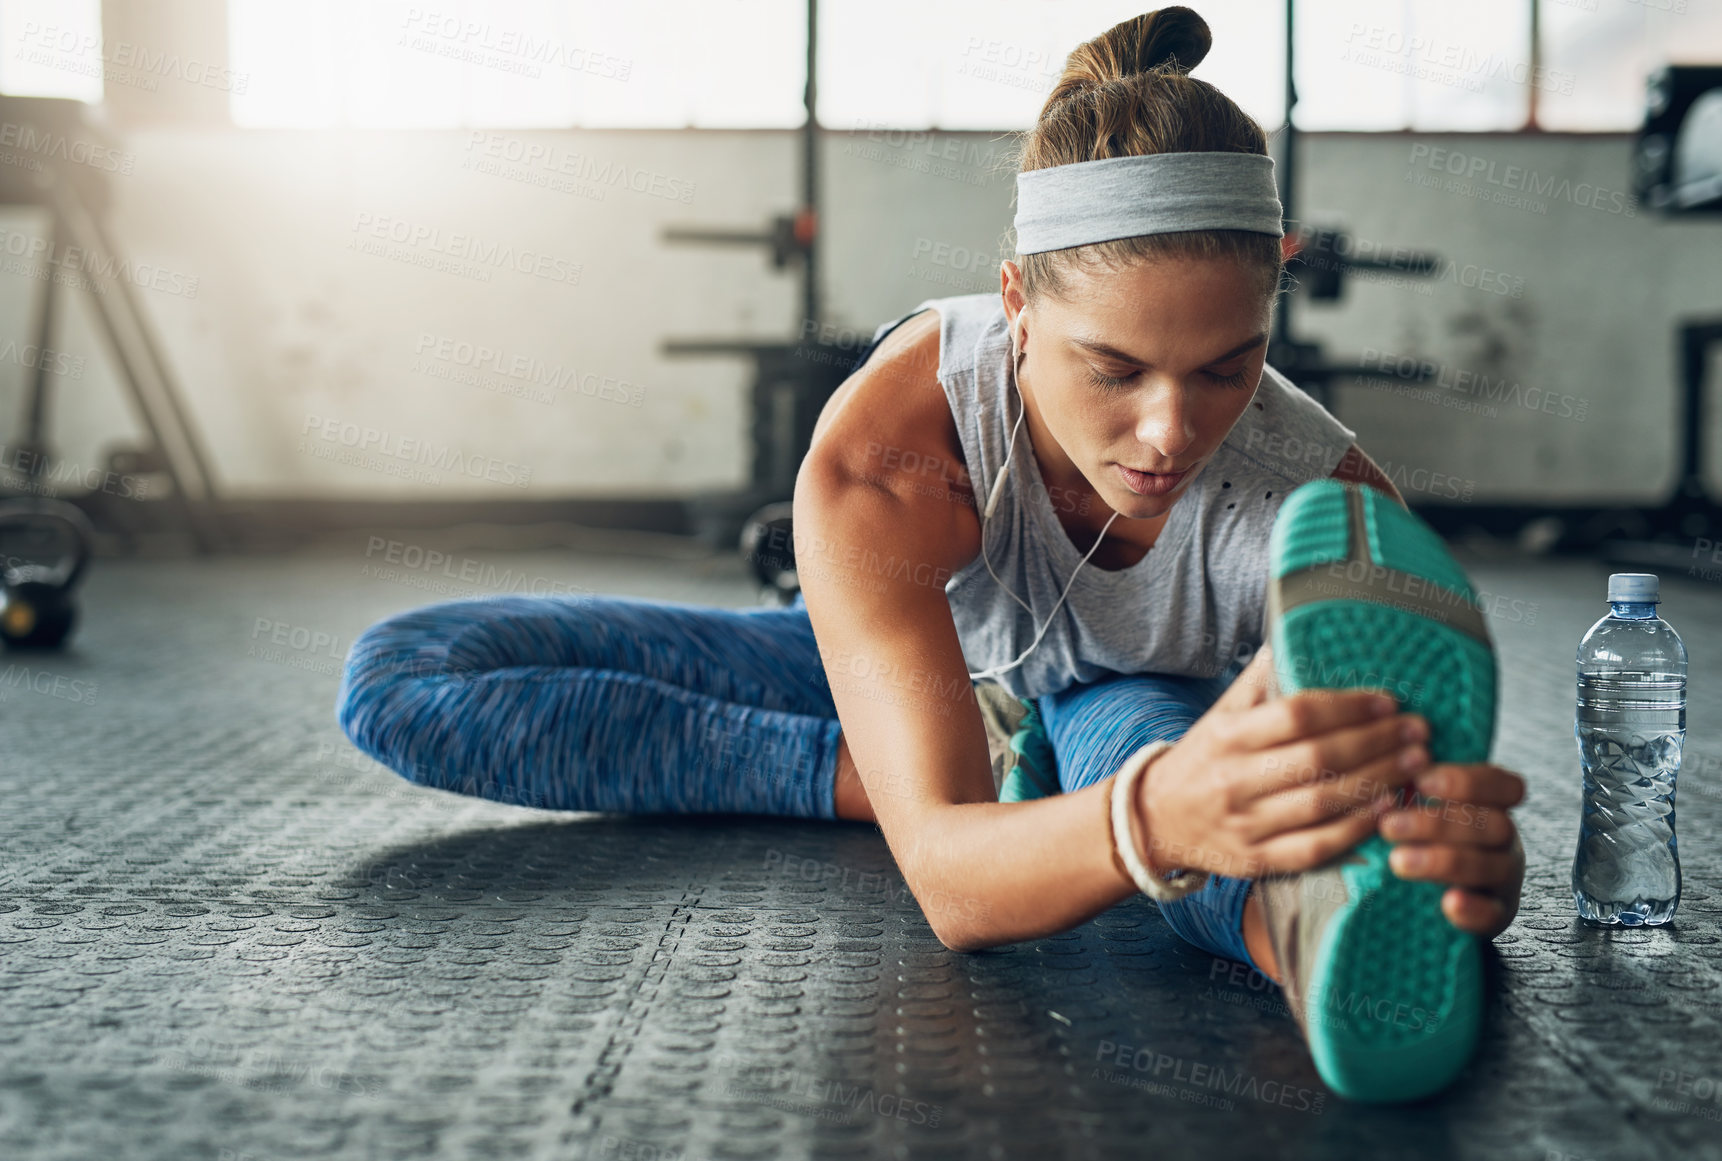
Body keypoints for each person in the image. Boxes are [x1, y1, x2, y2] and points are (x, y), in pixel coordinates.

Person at [335, 6, 1526, 1103]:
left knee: (1149, 742)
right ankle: (942, 786)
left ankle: (1291, 927)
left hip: (1142, 712)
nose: (1172, 433)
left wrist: (1441, 849)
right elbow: (956, 890)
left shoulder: (1321, 498)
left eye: (1228, 367)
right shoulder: (893, 453)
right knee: (408, 682)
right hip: (926, 674)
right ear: (1016, 303)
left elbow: (1378, 773)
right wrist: (999, 818)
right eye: (1113, 369)